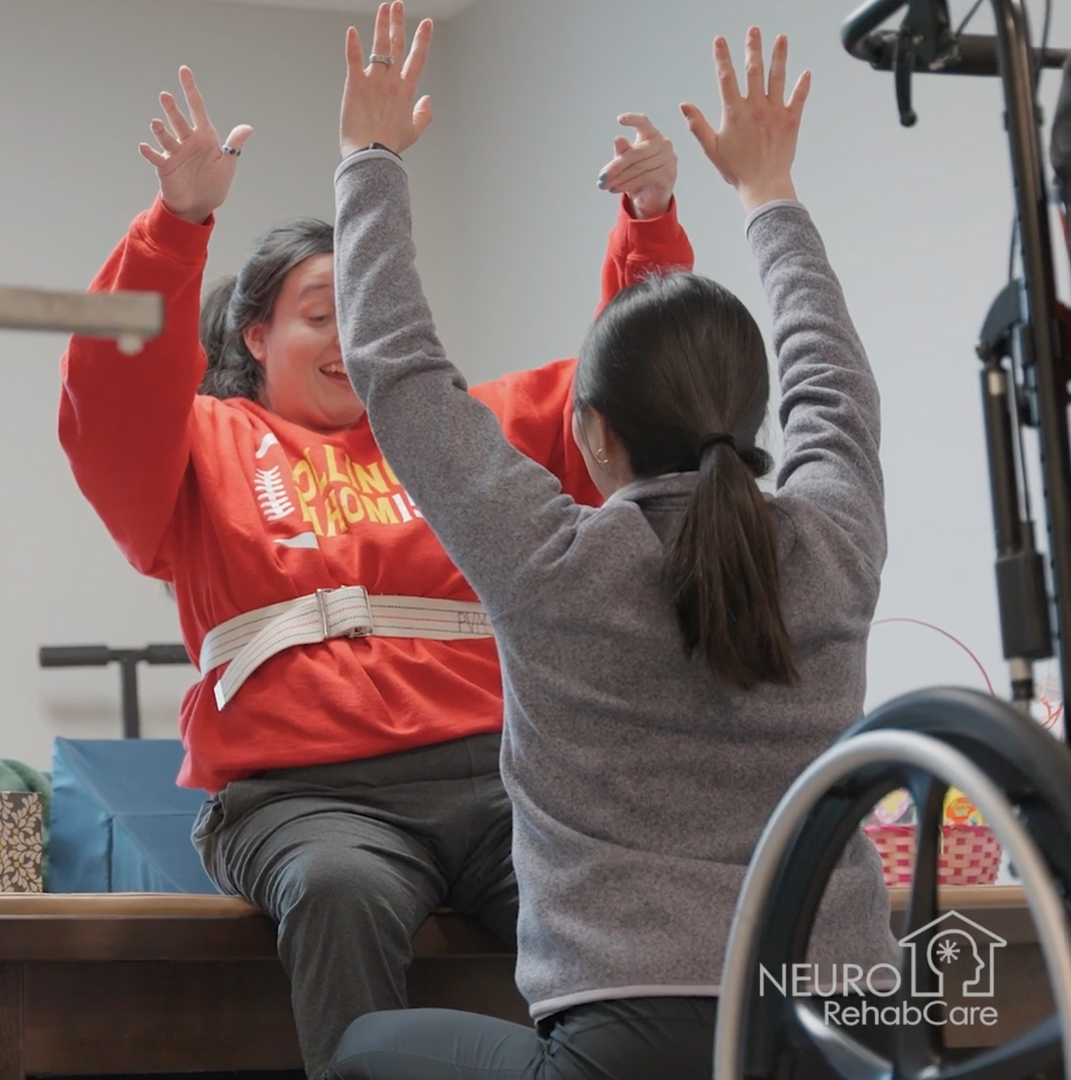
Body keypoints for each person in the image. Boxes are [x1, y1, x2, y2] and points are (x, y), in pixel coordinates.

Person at [57, 55, 693, 1078]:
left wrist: (651, 224)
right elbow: (109, 398)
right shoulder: (204, 443)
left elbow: (627, 395)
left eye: (370, 307)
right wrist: (175, 228)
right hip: (306, 801)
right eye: (321, 313)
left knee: (610, 887)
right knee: (341, 889)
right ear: (257, 334)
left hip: (500, 781)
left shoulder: (456, 433)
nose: (352, 338)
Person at [323, 10, 897, 1078]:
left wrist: (370, 160)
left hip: (631, 1045)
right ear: (758, 414)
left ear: (590, 432)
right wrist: (767, 192)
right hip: (849, 1033)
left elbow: (398, 372)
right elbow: (834, 374)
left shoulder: (555, 564)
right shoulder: (834, 544)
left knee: (364, 1049)